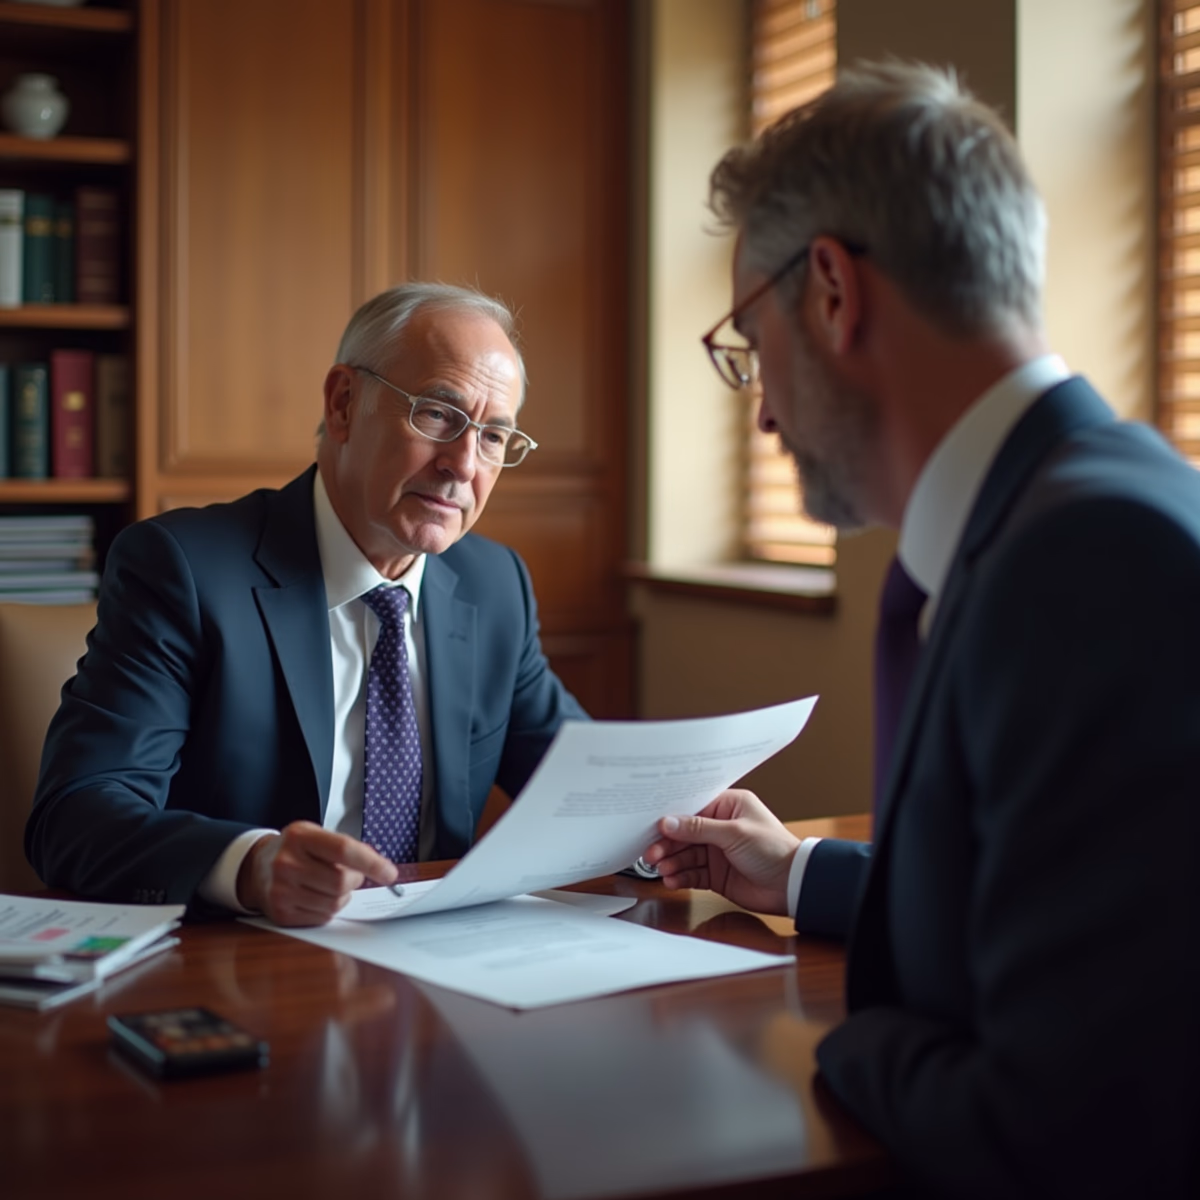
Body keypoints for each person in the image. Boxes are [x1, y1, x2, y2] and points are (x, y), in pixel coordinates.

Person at [643, 61, 1199, 1198]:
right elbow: (1066, 903)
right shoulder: (1099, 496)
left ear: (833, 292)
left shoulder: (1087, 562)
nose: (763, 409)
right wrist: (802, 874)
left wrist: (851, 1048)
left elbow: (1066, 1132)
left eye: (751, 342)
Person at [27, 282, 586, 927]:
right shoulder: (184, 570)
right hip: (247, 956)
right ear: (343, 403)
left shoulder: (493, 584)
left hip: (439, 954)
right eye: (437, 414)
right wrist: (250, 866)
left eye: (493, 437)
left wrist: (671, 830)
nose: (463, 465)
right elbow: (76, 815)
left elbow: (584, 783)